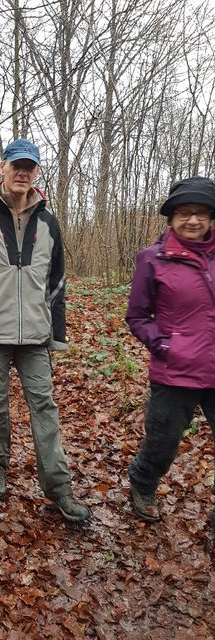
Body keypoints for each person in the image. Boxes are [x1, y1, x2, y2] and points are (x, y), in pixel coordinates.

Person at [0, 139, 91, 522]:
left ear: (36, 172)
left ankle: (58, 488)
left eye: (30, 167)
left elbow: (56, 283)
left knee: (44, 408)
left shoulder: (49, 223)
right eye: (16, 165)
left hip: (36, 338)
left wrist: (57, 336)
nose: (22, 172)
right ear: (3, 168)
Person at [126, 176, 215, 527]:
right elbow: (136, 316)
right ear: (171, 218)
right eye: (183, 212)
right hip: (175, 370)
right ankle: (143, 482)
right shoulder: (153, 259)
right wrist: (164, 344)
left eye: (200, 213)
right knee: (163, 442)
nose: (192, 220)